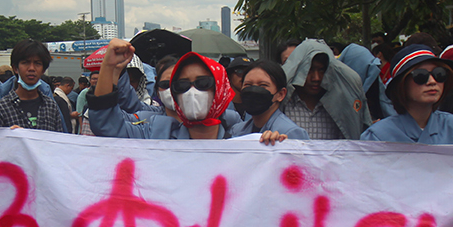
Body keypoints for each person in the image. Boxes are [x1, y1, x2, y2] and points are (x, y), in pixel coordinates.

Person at [88, 42, 288, 144]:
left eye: (203, 83)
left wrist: (272, 145)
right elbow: (105, 126)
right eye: (182, 85)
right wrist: (108, 67)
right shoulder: (156, 131)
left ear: (219, 89)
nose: (192, 92)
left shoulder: (243, 138)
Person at [361, 45, 453, 144]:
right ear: (401, 84)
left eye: (439, 74)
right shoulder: (377, 137)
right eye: (420, 76)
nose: (432, 82)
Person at [280, 40, 367, 140]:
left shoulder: (339, 107)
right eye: (309, 70)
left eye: (321, 70)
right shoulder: (284, 106)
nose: (316, 78)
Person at [0, 40, 68, 132]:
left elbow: (58, 141)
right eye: (25, 62)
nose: (31, 68)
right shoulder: (0, 109)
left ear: (43, 70)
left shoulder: (51, 107)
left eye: (37, 63)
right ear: (15, 68)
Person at [228, 60, 308, 140]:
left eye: (263, 85)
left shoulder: (289, 133)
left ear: (280, 94)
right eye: (248, 85)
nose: (253, 90)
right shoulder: (237, 131)